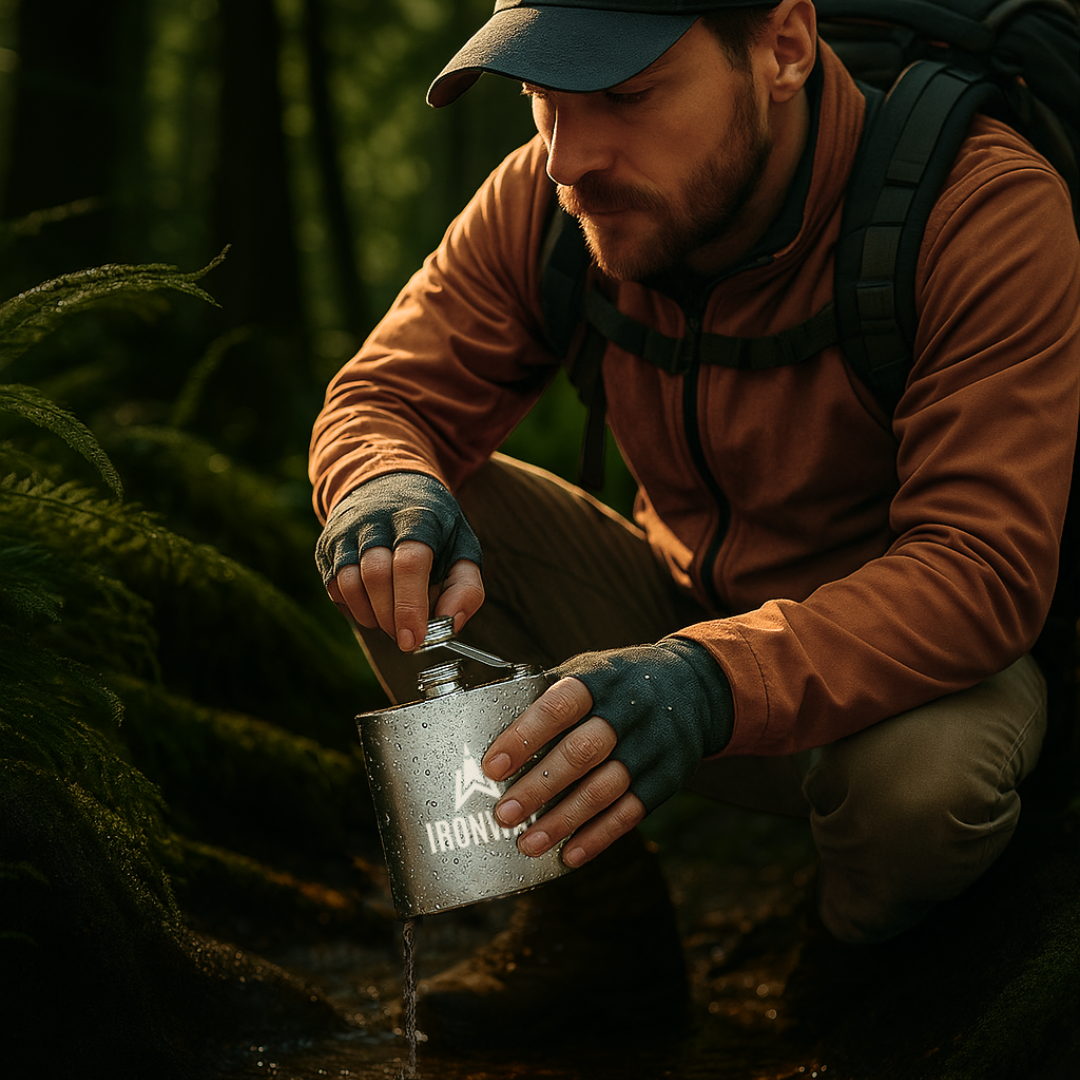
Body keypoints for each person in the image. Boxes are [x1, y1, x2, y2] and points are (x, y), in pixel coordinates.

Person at [310, 0, 1080, 1038]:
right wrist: (379, 485)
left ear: (784, 48)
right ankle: (582, 927)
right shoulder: (546, 203)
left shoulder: (974, 205)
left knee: (920, 790)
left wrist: (708, 679)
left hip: (907, 677)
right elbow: (382, 402)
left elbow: (983, 568)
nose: (571, 158)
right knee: (399, 544)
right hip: (668, 621)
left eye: (626, 96)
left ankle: (853, 959)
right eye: (542, 101)